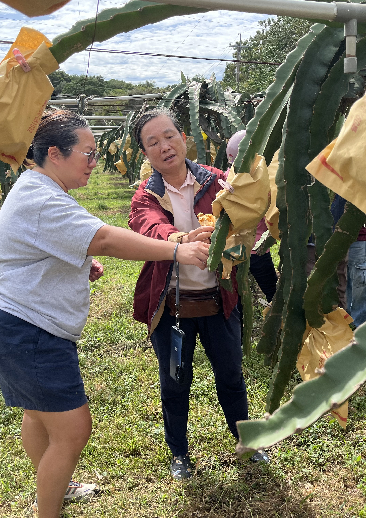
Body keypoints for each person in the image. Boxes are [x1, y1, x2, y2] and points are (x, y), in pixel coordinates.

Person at [0, 110, 209, 518]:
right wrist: (178, 249)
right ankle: (46, 511)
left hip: (17, 326)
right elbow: (103, 238)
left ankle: (56, 487)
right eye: (88, 153)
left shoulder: (38, 189)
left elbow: (34, 250)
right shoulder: (41, 197)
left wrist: (75, 264)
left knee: (39, 417)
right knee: (72, 431)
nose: (95, 161)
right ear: (55, 153)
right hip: (30, 332)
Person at [128, 109, 268, 481]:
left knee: (232, 375)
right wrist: (179, 240)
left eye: (169, 135)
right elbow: (148, 227)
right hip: (172, 307)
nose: (164, 146)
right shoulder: (146, 196)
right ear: (145, 153)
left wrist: (248, 234)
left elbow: (251, 221)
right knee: (175, 381)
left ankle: (247, 442)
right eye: (152, 142)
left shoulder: (219, 181)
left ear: (184, 136)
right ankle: (179, 454)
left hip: (218, 301)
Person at [226, 130, 277, 302]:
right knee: (273, 293)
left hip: (233, 247)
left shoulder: (227, 179)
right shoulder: (263, 179)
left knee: (238, 296)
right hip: (258, 248)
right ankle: (278, 322)